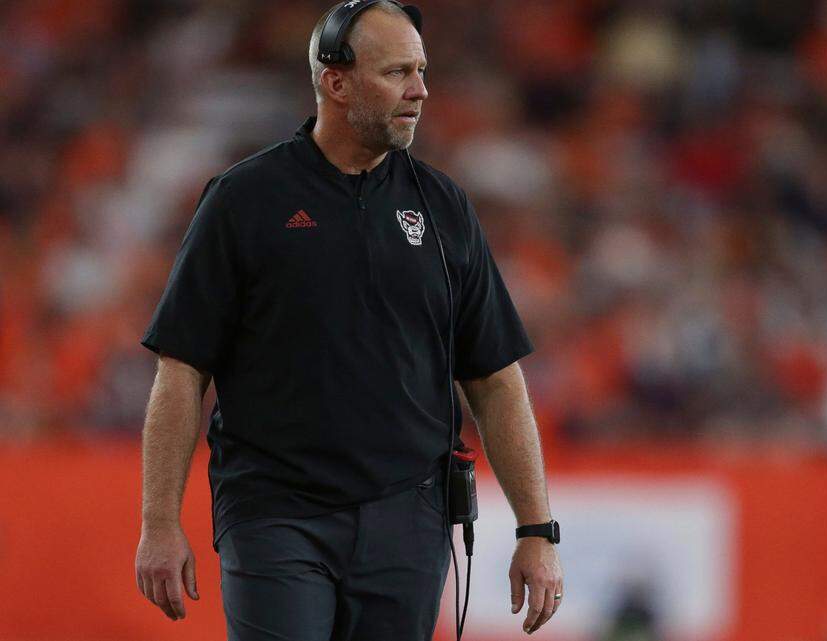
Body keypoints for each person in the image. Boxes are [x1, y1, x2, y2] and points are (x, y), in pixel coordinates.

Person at [132, 1, 564, 639]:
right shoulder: (244, 200)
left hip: (408, 519)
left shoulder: (444, 209)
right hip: (275, 512)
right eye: (397, 73)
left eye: (420, 70)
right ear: (335, 82)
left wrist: (536, 529)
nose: (421, 90)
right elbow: (181, 371)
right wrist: (160, 523)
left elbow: (495, 379)